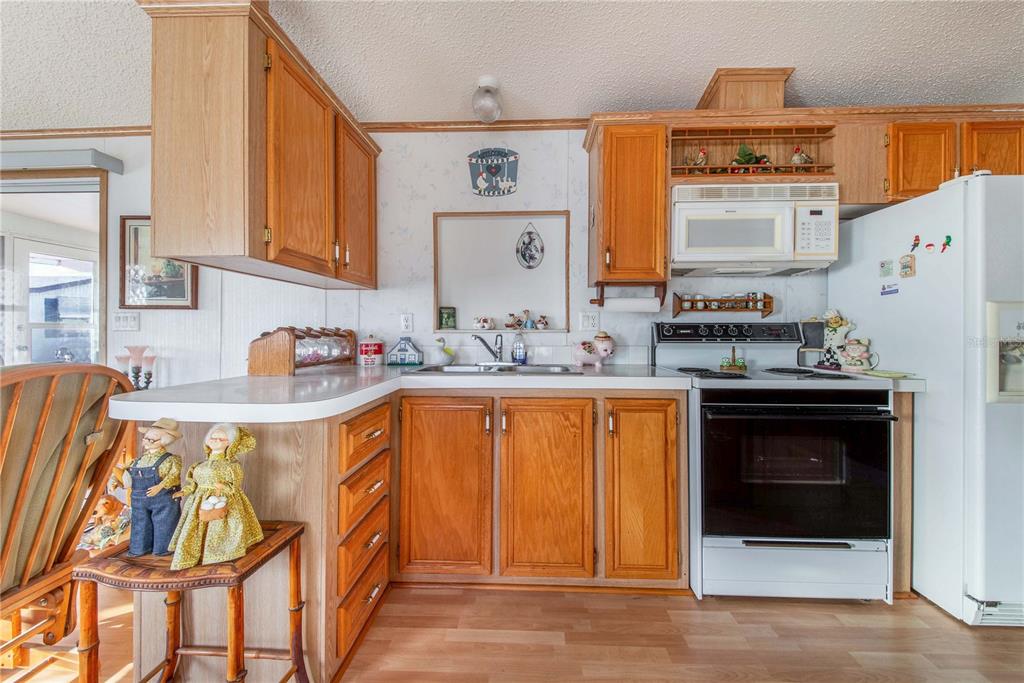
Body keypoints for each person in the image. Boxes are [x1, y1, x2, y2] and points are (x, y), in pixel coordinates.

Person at [168, 423, 263, 570]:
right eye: (213, 437)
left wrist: (222, 487)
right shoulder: (199, 465)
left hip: (222, 500)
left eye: (221, 439)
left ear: (230, 443)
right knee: (196, 524)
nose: (215, 440)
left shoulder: (231, 465)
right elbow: (193, 484)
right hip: (199, 501)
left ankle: (218, 553)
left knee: (218, 524)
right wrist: (183, 492)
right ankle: (195, 553)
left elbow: (235, 487)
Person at [111, 418, 182, 557]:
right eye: (146, 438)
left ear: (164, 441)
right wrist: (117, 481)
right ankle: (139, 549)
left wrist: (160, 487)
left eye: (152, 440)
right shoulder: (138, 460)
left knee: (164, 524)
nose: (147, 442)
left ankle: (163, 549)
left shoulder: (171, 459)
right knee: (139, 525)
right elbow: (126, 473)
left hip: (162, 499)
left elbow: (173, 475)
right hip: (139, 499)